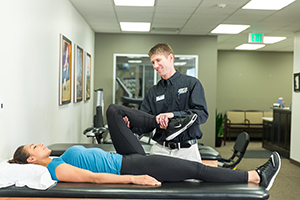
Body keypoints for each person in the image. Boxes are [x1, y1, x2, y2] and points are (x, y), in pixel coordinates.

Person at [8, 104, 281, 191]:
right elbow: (93, 178)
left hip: (126, 156)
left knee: (114, 111)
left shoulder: (57, 158)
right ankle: (256, 176)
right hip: (134, 166)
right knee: (197, 169)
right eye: (36, 146)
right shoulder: (57, 168)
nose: (42, 144)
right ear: (32, 159)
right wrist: (133, 178)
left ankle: (166, 122)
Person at [131, 43, 208, 162]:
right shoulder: (153, 92)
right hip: (160, 150)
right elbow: (145, 123)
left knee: (190, 181)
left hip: (187, 151)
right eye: (152, 62)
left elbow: (202, 114)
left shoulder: (192, 84)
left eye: (158, 60)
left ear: (170, 58)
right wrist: (130, 124)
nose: (155, 66)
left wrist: (173, 115)